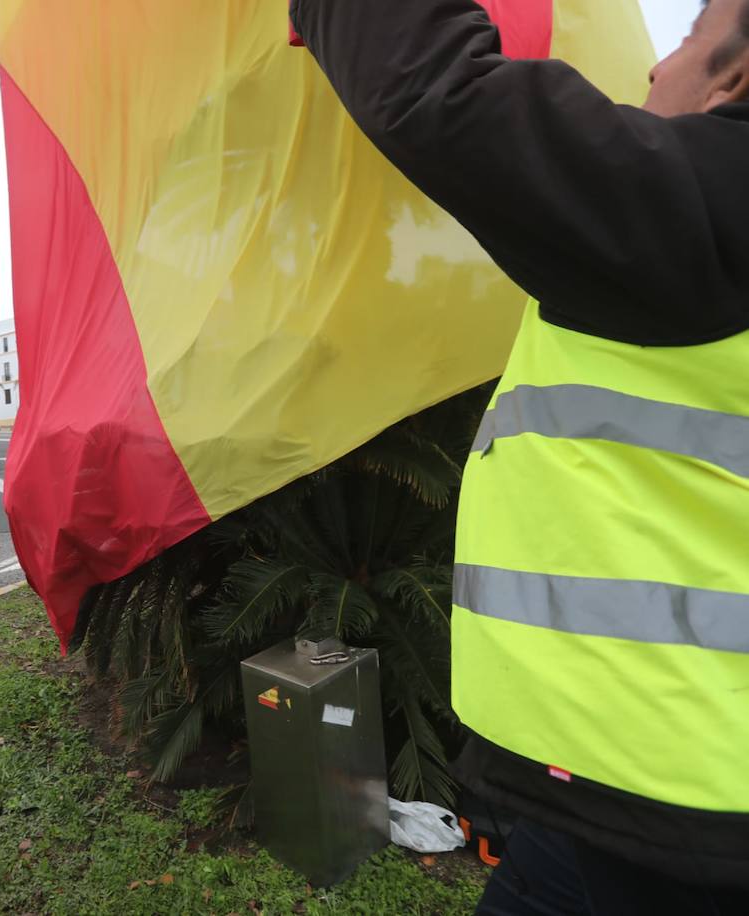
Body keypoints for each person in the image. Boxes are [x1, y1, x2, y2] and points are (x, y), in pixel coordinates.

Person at [290, 0, 749, 911]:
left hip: (680, 826)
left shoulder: (714, 209)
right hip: (596, 798)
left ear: (733, 75)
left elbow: (437, 94)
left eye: (683, 42)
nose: (652, 72)